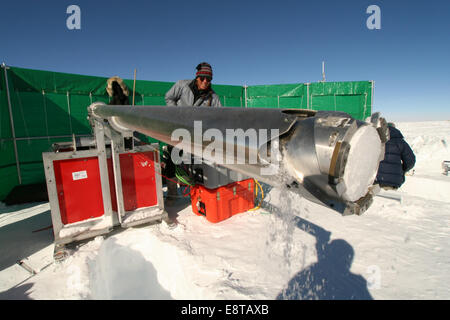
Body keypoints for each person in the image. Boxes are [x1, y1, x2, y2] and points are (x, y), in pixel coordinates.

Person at [163, 62, 222, 202]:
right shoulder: (182, 85)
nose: (205, 82)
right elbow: (168, 97)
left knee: (195, 164)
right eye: (202, 78)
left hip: (197, 135)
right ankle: (172, 193)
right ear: (197, 77)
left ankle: (196, 194)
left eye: (209, 79)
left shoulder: (213, 98)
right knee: (172, 159)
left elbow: (219, 117)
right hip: (177, 130)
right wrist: (177, 114)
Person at [375, 123, 416, 190]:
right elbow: (411, 160)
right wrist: (402, 170)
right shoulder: (400, 142)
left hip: (375, 180)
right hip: (394, 182)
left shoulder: (375, 139)